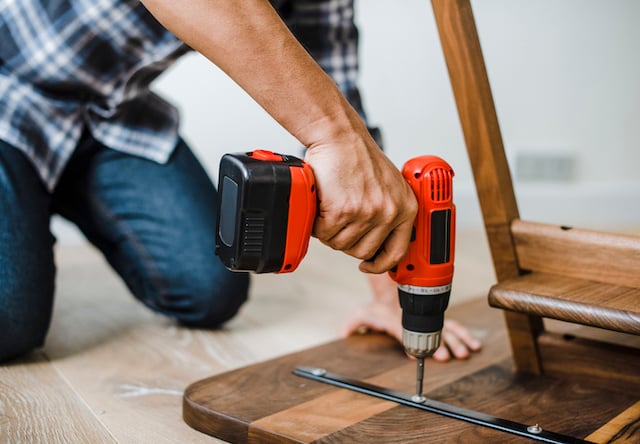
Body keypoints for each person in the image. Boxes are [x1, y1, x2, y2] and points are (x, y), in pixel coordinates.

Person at [0, 0, 478, 363]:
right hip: (11, 91)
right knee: (11, 320)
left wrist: (392, 295)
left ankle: (32, 196)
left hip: (111, 117)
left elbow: (343, 105)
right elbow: (338, 132)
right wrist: (335, 135)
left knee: (210, 292)